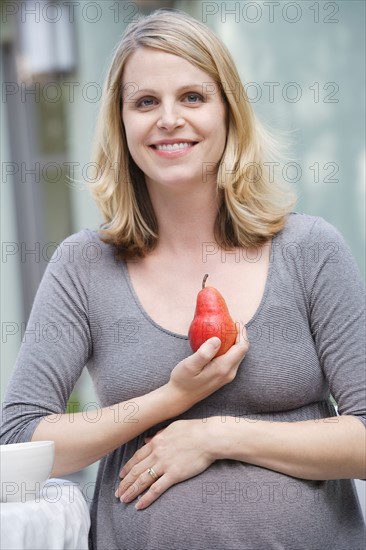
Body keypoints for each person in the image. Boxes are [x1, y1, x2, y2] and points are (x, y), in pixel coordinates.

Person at [1, 9, 365, 550]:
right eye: (145, 101)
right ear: (120, 123)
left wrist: (216, 435)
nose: (169, 119)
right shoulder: (84, 266)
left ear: (229, 114)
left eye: (193, 97)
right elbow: (18, 442)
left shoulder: (309, 250)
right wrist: (171, 399)